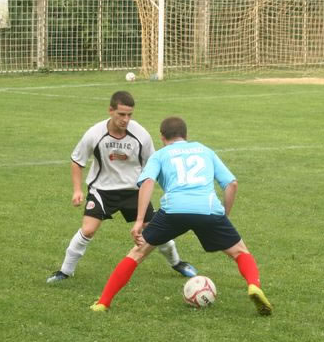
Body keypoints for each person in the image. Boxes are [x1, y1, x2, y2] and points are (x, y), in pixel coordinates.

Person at [90, 117, 273, 316]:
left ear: (162, 137)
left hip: (173, 210)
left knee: (137, 253)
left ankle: (103, 302)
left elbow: (147, 182)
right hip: (208, 209)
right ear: (186, 135)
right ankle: (253, 285)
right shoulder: (205, 150)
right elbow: (232, 184)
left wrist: (140, 220)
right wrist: (223, 216)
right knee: (240, 252)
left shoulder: (160, 155)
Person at [46, 91, 197, 283]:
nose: (125, 119)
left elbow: (154, 165)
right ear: (111, 110)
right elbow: (77, 161)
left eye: (129, 115)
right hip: (102, 190)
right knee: (88, 230)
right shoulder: (94, 133)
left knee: (154, 229)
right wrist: (77, 190)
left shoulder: (140, 135)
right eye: (121, 114)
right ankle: (65, 271)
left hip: (133, 191)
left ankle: (177, 262)